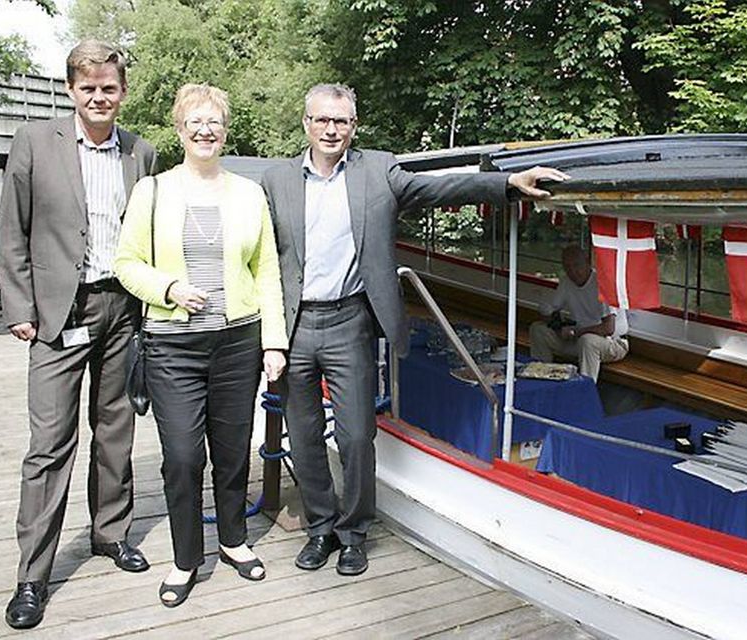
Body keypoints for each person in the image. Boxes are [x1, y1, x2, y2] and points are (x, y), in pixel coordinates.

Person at [261, 83, 568, 577]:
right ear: (306, 124)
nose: (331, 130)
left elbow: (442, 187)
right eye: (322, 120)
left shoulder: (378, 171)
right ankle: (320, 528)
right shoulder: (276, 182)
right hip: (294, 325)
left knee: (356, 436)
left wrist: (509, 182)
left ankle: (353, 533)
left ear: (354, 126)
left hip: (350, 322)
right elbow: (253, 254)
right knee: (304, 434)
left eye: (341, 121)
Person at [0, 40, 157, 630]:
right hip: (58, 312)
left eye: (109, 88)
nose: (99, 97)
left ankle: (110, 534)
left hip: (122, 307)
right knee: (49, 444)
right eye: (88, 88)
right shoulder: (34, 142)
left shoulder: (142, 152)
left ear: (122, 91)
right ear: (70, 90)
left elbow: (151, 232)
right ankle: (32, 575)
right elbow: (12, 231)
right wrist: (20, 306)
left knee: (115, 430)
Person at [115, 83, 288, 607]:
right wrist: (168, 288)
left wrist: (274, 342)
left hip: (238, 343)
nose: (205, 130)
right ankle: (186, 558)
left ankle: (233, 540)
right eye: (195, 122)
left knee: (232, 453)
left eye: (214, 122)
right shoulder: (153, 191)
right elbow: (126, 264)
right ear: (180, 130)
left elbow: (267, 271)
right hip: (172, 346)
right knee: (184, 457)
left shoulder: (249, 193)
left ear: (225, 131)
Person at [529, 244, 629, 382]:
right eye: (567, 267)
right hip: (579, 339)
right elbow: (548, 310)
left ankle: (585, 388)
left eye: (576, 265)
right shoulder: (566, 282)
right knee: (538, 329)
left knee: (587, 341)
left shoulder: (603, 284)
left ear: (588, 262)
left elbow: (608, 328)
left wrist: (576, 332)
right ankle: (541, 377)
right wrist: (558, 327)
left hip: (613, 343)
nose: (573, 271)